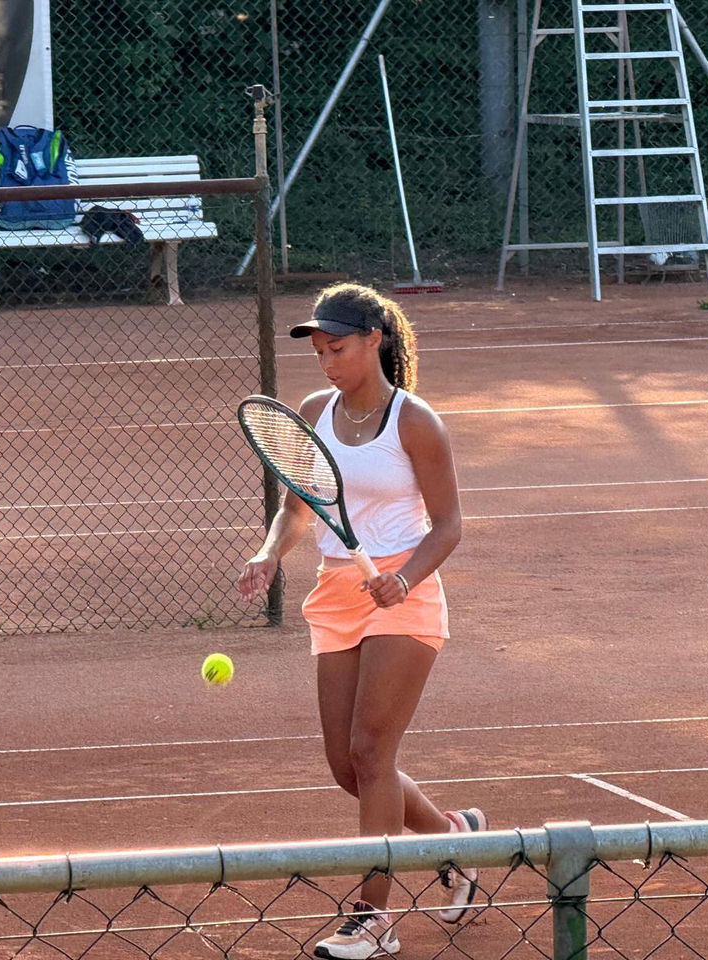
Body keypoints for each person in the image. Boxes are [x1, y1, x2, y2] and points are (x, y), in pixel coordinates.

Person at [237, 282, 485, 960]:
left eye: (337, 349)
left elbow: (451, 524)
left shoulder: (415, 422)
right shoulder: (315, 411)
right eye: (319, 352)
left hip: (404, 595)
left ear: (375, 340)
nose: (327, 364)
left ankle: (372, 917)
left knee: (374, 751)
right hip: (337, 595)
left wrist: (404, 576)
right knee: (348, 767)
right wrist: (267, 556)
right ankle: (454, 841)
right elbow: (297, 510)